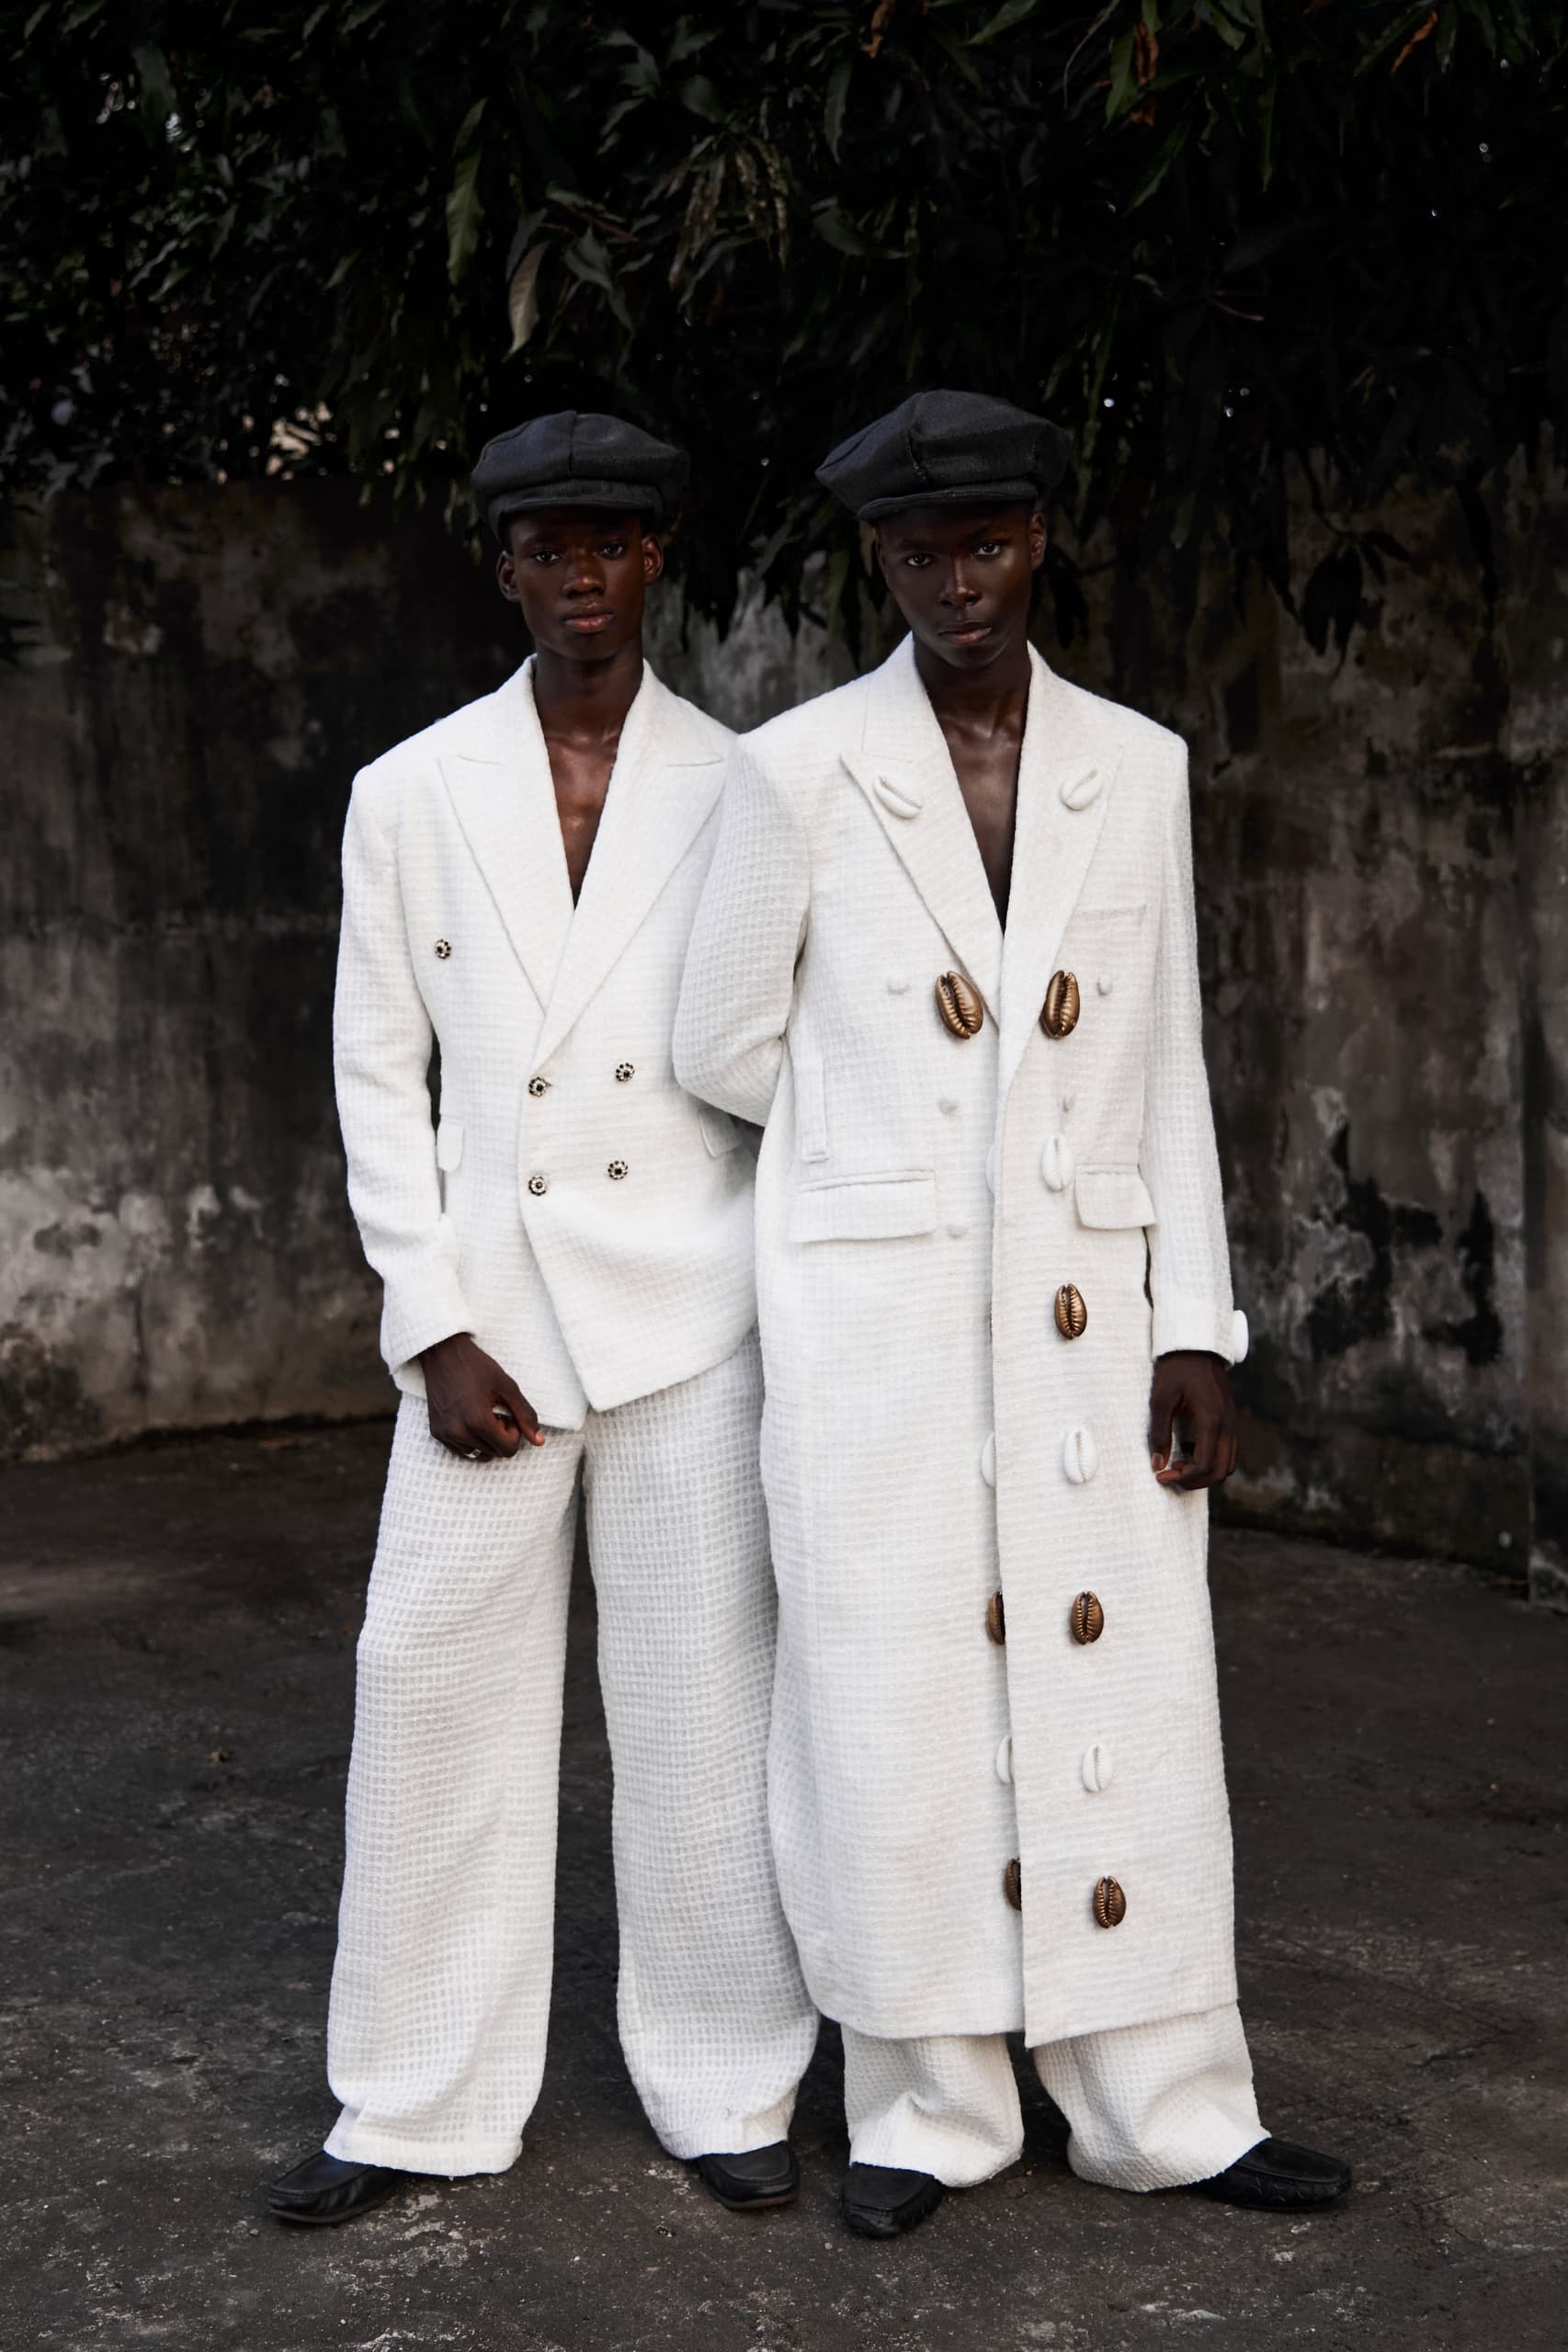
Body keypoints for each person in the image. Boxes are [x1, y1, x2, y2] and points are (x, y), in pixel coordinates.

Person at [674, 389, 1350, 2239]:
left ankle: (1163, 2107)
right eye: (916, 556)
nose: (953, 585)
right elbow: (720, 1043)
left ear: (1038, 539)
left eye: (982, 545)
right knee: (891, 1698)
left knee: (1118, 1688)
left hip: (1084, 1318)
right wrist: (903, 1154)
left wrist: (1193, 1321)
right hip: (878, 1323)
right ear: (876, 564)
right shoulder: (794, 769)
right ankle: (927, 2107)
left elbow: (1164, 1060)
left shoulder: (1134, 763)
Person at [267, 411, 815, 2228]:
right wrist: (428, 1323)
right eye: (548, 546)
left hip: (690, 1307)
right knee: (428, 1693)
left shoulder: (747, 782)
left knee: (704, 1714)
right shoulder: (412, 790)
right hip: (487, 1324)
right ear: (502, 567)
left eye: (612, 543)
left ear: (656, 559)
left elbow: (775, 1060)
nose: (582, 575)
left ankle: (727, 2081)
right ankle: (412, 2099)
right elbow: (376, 1072)